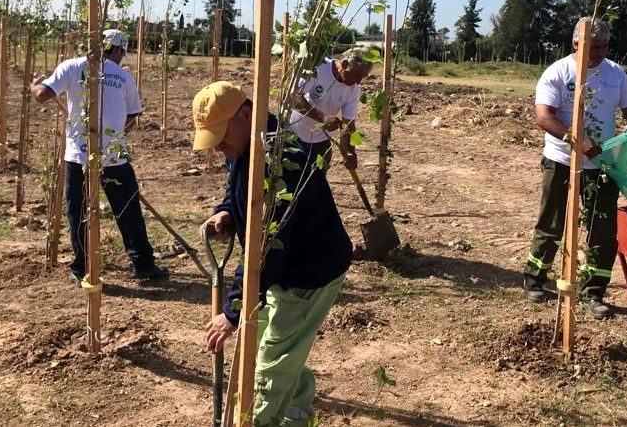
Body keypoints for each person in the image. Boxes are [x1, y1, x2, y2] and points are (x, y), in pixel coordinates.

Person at [193, 81, 351, 427]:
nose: (217, 146)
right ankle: (297, 415)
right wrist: (227, 212)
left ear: (246, 115)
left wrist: (233, 310)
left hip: (309, 272)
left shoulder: (282, 162)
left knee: (270, 363)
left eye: (221, 134)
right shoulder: (245, 145)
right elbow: (236, 191)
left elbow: (266, 249)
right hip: (281, 269)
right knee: (272, 345)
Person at [524, 17, 627, 319]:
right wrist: (576, 140)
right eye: (594, 47)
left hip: (602, 165)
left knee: (601, 229)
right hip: (561, 161)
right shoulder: (558, 72)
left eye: (605, 46)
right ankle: (535, 279)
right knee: (552, 223)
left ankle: (594, 292)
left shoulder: (615, 73)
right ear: (576, 44)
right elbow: (544, 116)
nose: (600, 53)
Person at [31, 29, 167, 285]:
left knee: (78, 212)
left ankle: (82, 268)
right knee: (128, 211)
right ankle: (143, 264)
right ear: (116, 50)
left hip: (78, 156)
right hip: (114, 156)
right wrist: (113, 133)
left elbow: (42, 96)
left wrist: (35, 84)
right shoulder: (124, 77)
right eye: (122, 53)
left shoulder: (72, 67)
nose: (122, 58)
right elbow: (133, 116)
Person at [288, 49, 373, 173]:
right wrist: (322, 118)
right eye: (356, 75)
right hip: (293, 137)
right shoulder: (318, 67)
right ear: (344, 64)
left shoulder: (354, 89)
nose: (358, 82)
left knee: (317, 187)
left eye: (362, 78)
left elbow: (348, 124)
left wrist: (350, 152)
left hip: (320, 143)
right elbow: (292, 97)